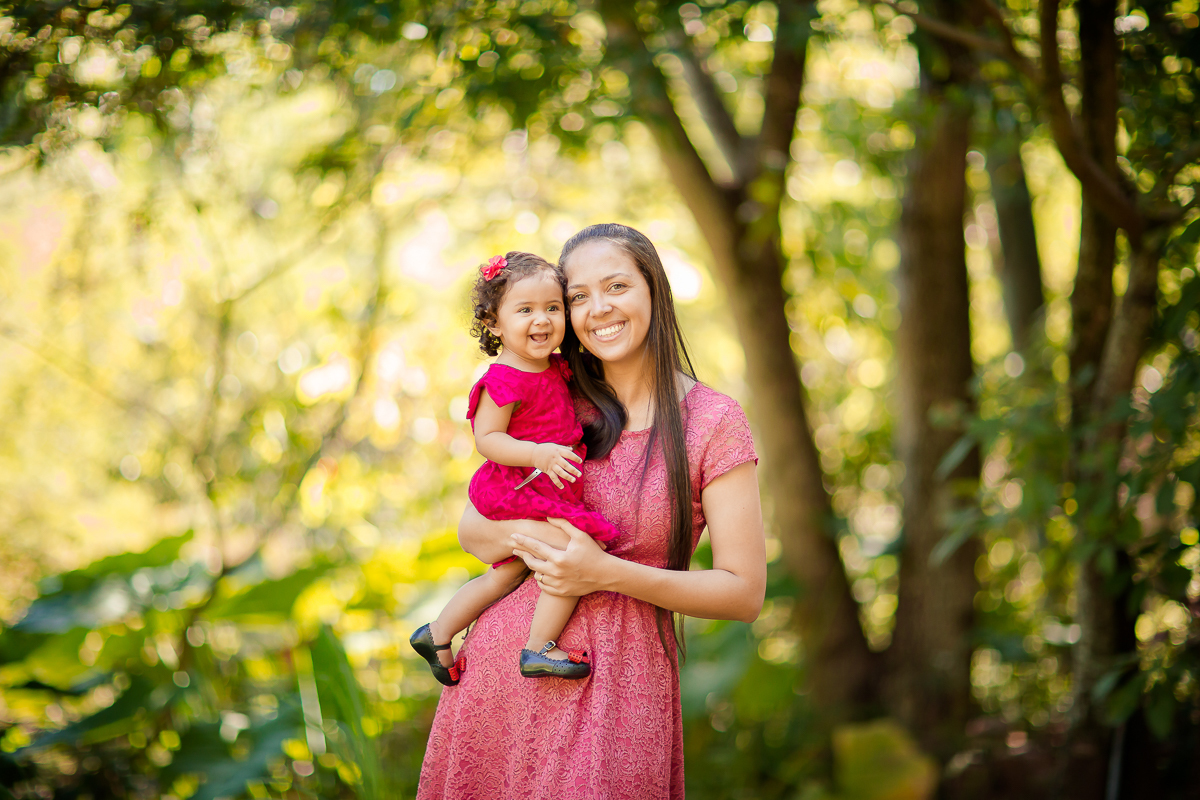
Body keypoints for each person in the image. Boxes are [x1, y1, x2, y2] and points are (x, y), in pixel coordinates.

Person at [417, 224, 766, 799]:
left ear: (653, 290)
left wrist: (605, 573)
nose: (597, 308)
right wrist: (541, 542)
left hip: (623, 692)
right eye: (577, 296)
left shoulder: (711, 422)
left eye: (616, 286)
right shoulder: (551, 397)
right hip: (501, 680)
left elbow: (743, 593)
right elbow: (476, 534)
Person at [410, 251, 621, 685]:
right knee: (572, 555)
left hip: (544, 488)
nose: (541, 320)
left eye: (552, 308)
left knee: (507, 574)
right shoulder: (503, 379)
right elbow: (488, 440)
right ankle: (538, 647)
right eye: (525, 310)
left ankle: (438, 632)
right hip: (517, 488)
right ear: (494, 324)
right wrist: (538, 453)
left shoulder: (555, 367)